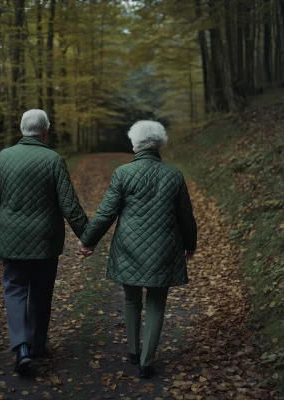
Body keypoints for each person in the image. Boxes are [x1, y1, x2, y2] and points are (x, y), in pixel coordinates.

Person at [78, 120, 197, 378]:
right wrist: (189, 244)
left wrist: (88, 240)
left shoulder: (123, 174)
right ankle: (146, 362)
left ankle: (133, 351)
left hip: (128, 248)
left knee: (131, 298)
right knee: (156, 302)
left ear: (135, 144)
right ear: (158, 144)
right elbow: (186, 216)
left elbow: (106, 213)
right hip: (165, 248)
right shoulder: (174, 175)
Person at [0, 109, 89, 373]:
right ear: (45, 131)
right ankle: (37, 346)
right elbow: (69, 205)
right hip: (45, 241)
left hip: (11, 239)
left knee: (15, 291)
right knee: (41, 294)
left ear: (22, 129)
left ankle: (21, 348)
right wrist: (88, 236)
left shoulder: (2, 157)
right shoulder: (53, 160)